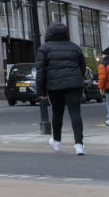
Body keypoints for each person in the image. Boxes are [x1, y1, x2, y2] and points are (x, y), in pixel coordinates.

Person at [36, 23, 86, 155]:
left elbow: (41, 71)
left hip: (55, 86)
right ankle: (79, 145)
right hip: (75, 85)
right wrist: (77, 78)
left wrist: (41, 91)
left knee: (57, 112)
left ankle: (57, 141)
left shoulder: (44, 48)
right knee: (75, 113)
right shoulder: (75, 47)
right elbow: (82, 67)